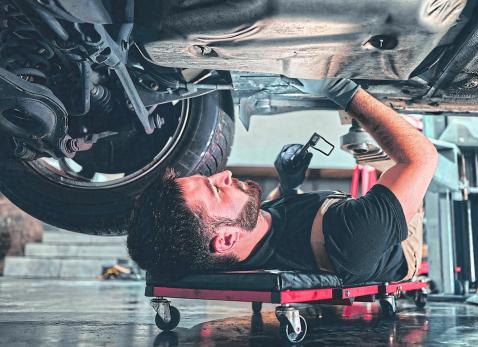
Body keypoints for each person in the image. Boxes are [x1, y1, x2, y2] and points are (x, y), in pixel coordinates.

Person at [127, 77, 438, 284]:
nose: (224, 175)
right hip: (396, 245)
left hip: (328, 224)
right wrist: (344, 90)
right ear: (225, 240)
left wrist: (288, 184)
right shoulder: (351, 236)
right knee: (379, 145)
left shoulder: (232, 247)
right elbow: (422, 158)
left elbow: (271, 224)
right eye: (216, 189)